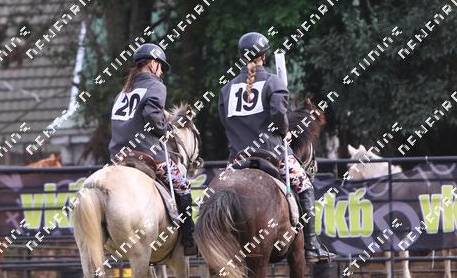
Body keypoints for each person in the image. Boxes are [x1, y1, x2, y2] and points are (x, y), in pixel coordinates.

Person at [217, 32, 335, 263]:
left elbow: (225, 121)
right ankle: (311, 245)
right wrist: (284, 131)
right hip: (272, 153)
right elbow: (279, 117)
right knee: (305, 186)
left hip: (238, 158)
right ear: (264, 55)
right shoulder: (273, 82)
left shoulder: (226, 89)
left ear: (241, 56)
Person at [108, 43, 197, 256]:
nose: (161, 72)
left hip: (118, 156)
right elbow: (152, 116)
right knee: (183, 187)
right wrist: (165, 130)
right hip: (147, 153)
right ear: (153, 63)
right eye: (161, 67)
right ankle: (188, 239)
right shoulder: (156, 86)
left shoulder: (123, 93)